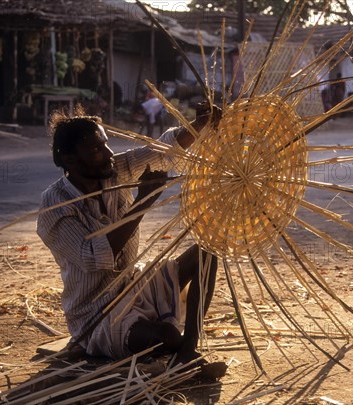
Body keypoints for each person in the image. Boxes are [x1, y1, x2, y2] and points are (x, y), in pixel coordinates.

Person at [37, 104, 226, 378]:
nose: (109, 155)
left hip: (132, 286)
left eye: (106, 144)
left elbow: (162, 152)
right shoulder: (55, 205)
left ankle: (187, 353)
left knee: (206, 252)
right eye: (96, 150)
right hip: (96, 314)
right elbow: (95, 257)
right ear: (70, 160)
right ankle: (177, 347)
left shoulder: (114, 171)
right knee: (167, 336)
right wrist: (143, 202)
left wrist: (199, 125)